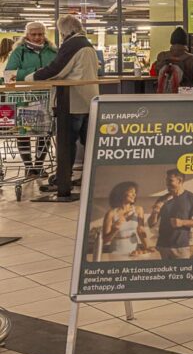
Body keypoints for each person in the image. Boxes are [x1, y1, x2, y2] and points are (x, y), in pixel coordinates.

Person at [26, 15, 100, 176]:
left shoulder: (72, 44)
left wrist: (30, 78)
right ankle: (90, 178)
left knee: (66, 143)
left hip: (72, 102)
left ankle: (63, 179)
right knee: (88, 142)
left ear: (65, 31)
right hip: (89, 101)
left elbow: (56, 69)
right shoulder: (87, 44)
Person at [5, 23, 59, 175]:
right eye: (33, 34)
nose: (37, 37)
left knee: (45, 133)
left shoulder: (53, 51)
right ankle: (28, 166)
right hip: (25, 100)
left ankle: (39, 165)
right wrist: (36, 72)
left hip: (47, 98)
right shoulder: (19, 52)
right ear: (27, 35)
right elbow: (9, 74)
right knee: (24, 134)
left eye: (40, 34)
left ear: (44, 34)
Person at [148, 169, 193, 260]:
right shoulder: (162, 199)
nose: (167, 183)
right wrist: (155, 212)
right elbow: (151, 224)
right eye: (166, 180)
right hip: (162, 248)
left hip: (181, 248)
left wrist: (182, 222)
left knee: (182, 269)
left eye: (170, 180)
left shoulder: (192, 197)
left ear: (179, 181)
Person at [152, 27, 193, 93]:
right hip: (185, 95)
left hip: (164, 94)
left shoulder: (162, 56)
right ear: (185, 41)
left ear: (171, 40)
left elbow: (156, 72)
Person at [102, 182, 150, 257]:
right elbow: (104, 240)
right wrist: (114, 230)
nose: (134, 195)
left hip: (134, 250)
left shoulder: (138, 209)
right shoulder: (111, 213)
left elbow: (141, 231)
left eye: (135, 192)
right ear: (121, 193)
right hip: (115, 251)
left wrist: (148, 248)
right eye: (131, 192)